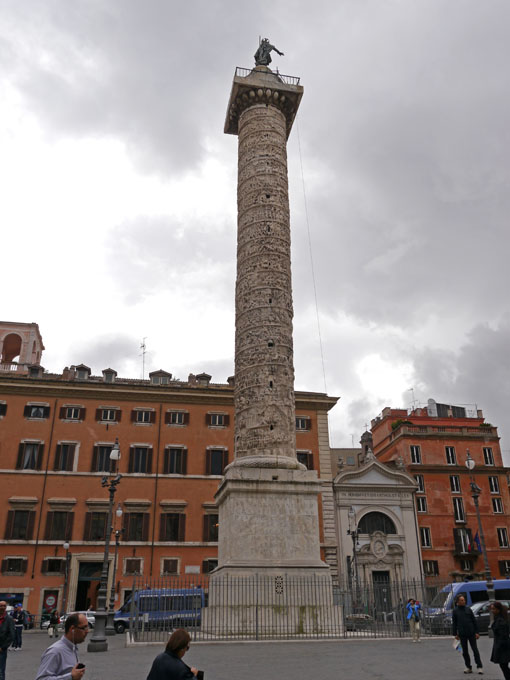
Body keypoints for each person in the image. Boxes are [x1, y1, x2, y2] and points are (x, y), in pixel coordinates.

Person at [35, 612, 88, 680]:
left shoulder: (73, 647)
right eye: (84, 628)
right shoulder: (55, 651)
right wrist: (70, 676)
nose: (87, 631)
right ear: (72, 629)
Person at [452, 594, 484, 674]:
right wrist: (455, 634)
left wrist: (477, 632)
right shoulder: (455, 611)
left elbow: (474, 621)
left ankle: (479, 666)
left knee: (475, 650)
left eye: (464, 600)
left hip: (471, 633)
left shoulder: (468, 609)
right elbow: (454, 623)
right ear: (458, 602)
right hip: (462, 634)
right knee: (465, 651)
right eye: (462, 600)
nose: (464, 601)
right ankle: (468, 667)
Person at [490, 601, 510, 679]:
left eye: (494, 609)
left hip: (503, 647)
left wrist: (499, 647)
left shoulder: (500, 620)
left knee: (504, 666)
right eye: (491, 609)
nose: (492, 611)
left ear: (498, 610)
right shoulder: (500, 618)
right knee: (504, 666)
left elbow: (503, 635)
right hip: (502, 646)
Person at [0, 601, 15, 680]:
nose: (2, 607)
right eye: (1, 606)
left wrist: (3, 647)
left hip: (1, 649)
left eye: (4, 606)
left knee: (0, 671)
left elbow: (11, 635)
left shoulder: (9, 619)